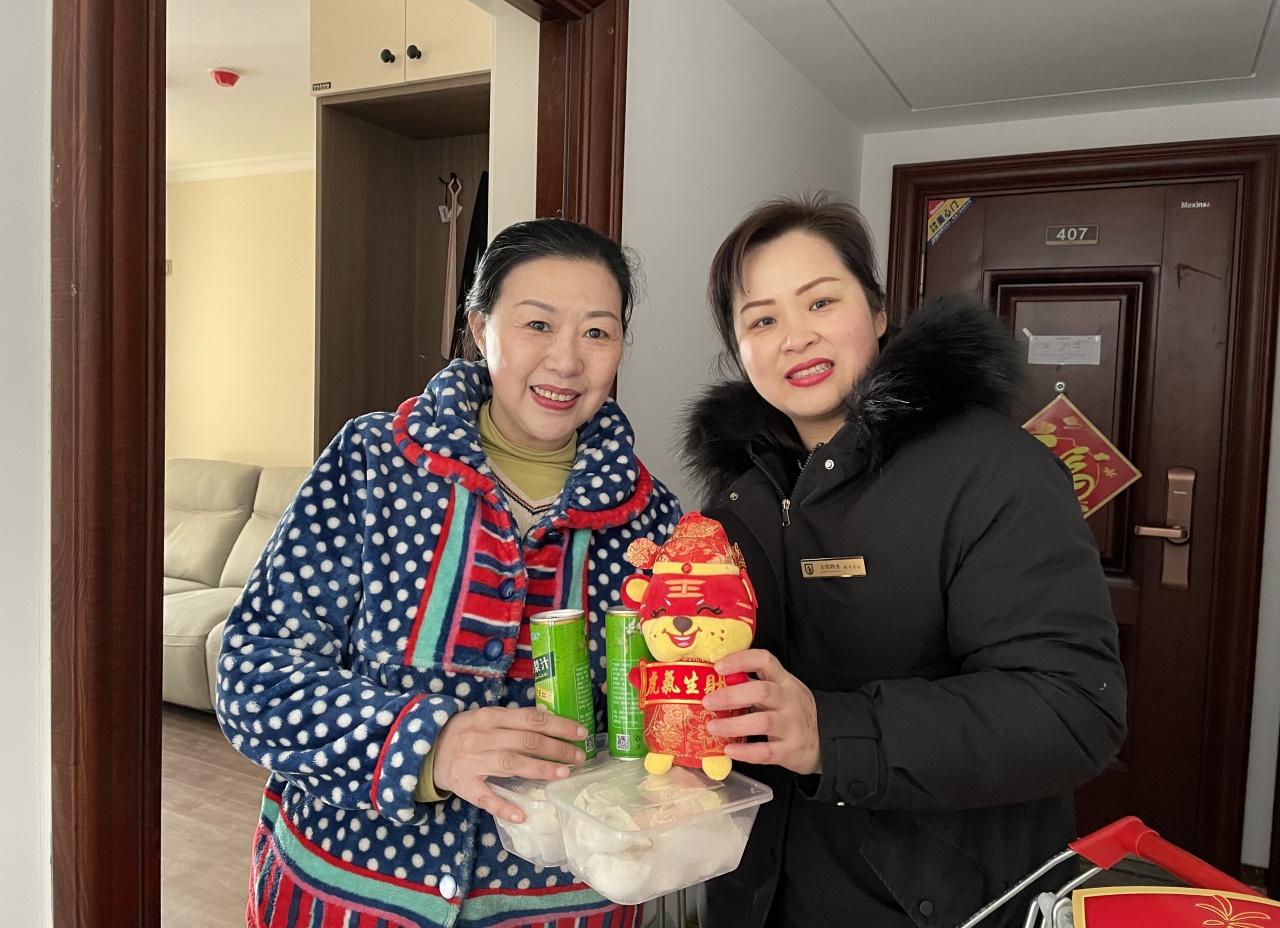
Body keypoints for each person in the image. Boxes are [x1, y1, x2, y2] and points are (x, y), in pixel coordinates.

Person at [216, 218, 682, 928]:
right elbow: (252, 673)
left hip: (563, 908)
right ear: (479, 327)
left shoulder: (654, 522)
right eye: (537, 324)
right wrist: (425, 746)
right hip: (348, 897)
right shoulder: (374, 461)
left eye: (597, 332)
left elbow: (660, 717)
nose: (566, 360)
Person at [680, 194, 1127, 928]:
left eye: (820, 302)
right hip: (758, 891)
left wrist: (829, 731)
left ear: (879, 310)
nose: (795, 336)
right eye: (761, 320)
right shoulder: (739, 497)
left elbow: (1074, 710)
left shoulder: (992, 470)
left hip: (931, 899)